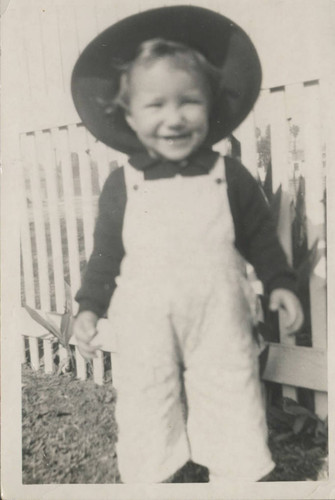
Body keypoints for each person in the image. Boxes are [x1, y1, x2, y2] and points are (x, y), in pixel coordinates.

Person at [71, 5, 304, 484]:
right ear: (129, 117)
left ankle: (236, 473)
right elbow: (105, 256)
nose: (174, 119)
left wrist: (280, 281)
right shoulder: (124, 184)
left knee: (230, 387)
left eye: (189, 102)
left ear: (211, 104)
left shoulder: (228, 175)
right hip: (145, 319)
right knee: (146, 394)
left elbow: (260, 236)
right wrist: (90, 307)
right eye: (156, 106)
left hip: (219, 316)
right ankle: (152, 474)